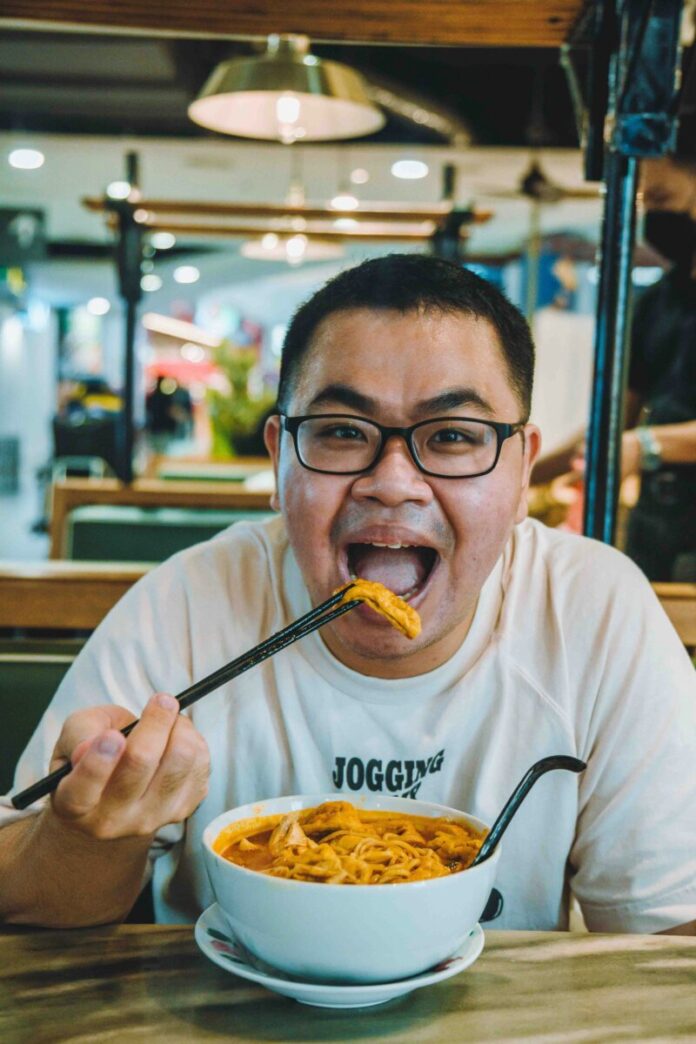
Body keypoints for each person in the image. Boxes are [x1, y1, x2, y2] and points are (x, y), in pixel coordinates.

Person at [1, 255, 694, 935]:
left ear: (520, 473)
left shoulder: (593, 611)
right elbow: (24, 895)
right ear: (279, 457)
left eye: (453, 436)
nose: (392, 483)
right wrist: (89, 836)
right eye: (341, 432)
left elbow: (668, 940)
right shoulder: (188, 601)